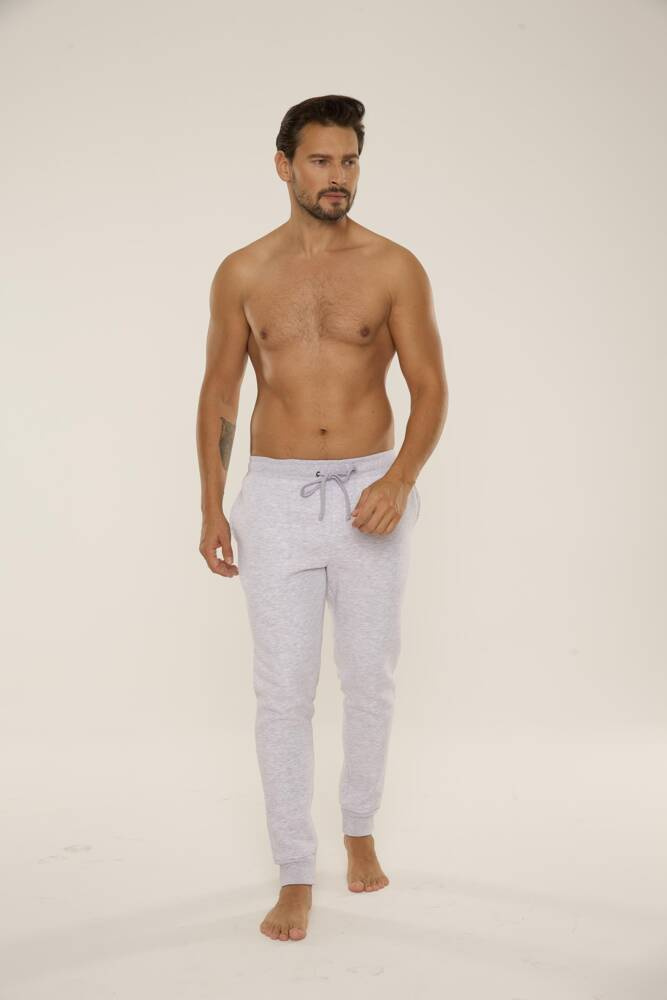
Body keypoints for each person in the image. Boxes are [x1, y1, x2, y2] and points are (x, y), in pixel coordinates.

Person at [196, 94, 448, 942]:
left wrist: (401, 480)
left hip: (370, 489)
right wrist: (210, 502)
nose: (336, 177)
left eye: (347, 161)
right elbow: (219, 392)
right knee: (281, 691)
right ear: (284, 166)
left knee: (369, 677)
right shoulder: (242, 272)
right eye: (319, 161)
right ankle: (295, 868)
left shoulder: (393, 266)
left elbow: (431, 387)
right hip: (274, 497)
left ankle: (359, 826)